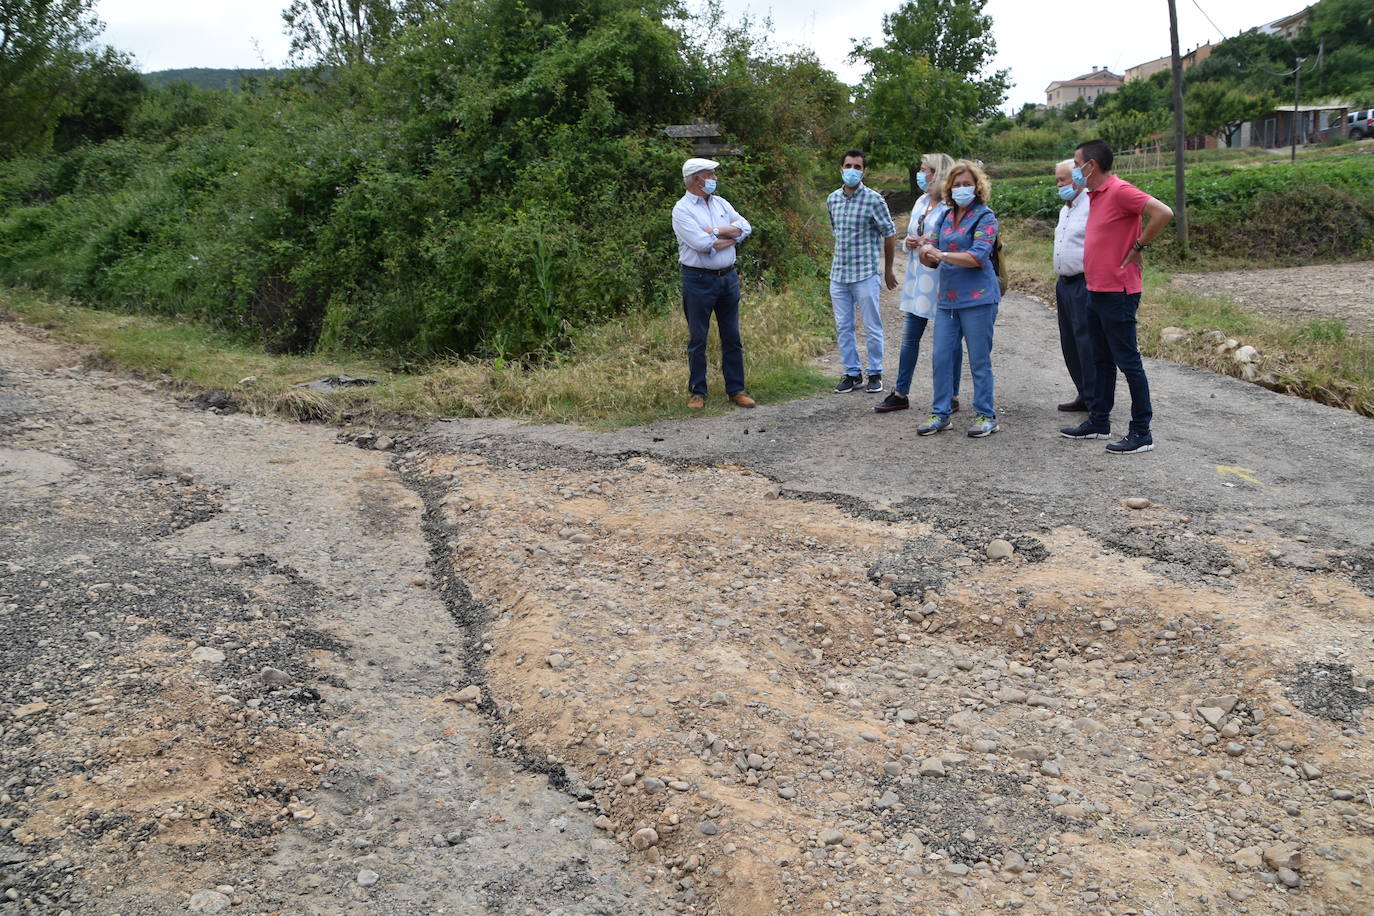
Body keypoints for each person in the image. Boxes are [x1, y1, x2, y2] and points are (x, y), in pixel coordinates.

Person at [1059, 139, 1173, 454]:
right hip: (1096, 288)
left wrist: (1139, 245)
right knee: (1100, 358)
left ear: (1090, 165)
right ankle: (1098, 421)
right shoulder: (1094, 195)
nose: (1073, 169)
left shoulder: (1120, 190)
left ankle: (1141, 431)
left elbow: (1163, 212)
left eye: (1076, 162)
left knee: (1128, 361)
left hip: (1118, 291)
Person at [915, 160, 1001, 439]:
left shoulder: (985, 217)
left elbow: (977, 256)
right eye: (957, 184)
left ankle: (986, 415)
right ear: (949, 188)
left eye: (967, 184)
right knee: (941, 356)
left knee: (978, 359)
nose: (962, 188)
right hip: (948, 300)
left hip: (978, 299)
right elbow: (932, 257)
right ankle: (941, 414)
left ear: (977, 187)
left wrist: (939, 254)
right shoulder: (945, 216)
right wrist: (924, 253)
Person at [875, 152, 962, 415]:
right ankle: (901, 393)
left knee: (948, 342)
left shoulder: (952, 207)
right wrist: (909, 242)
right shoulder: (921, 201)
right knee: (909, 338)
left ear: (938, 174)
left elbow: (954, 241)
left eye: (925, 170)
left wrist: (929, 243)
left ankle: (952, 395)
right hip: (917, 280)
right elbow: (910, 237)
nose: (921, 174)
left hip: (942, 280)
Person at [672, 157, 755, 411]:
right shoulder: (682, 209)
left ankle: (736, 390)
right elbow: (700, 244)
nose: (715, 179)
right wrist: (731, 235)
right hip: (698, 279)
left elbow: (746, 228)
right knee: (698, 337)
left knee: (732, 335)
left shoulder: (720, 203)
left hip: (727, 277)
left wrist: (716, 231)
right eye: (711, 175)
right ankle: (698, 392)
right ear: (697, 179)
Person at [826, 149, 898, 394]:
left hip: (865, 273)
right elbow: (836, 230)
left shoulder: (874, 200)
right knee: (843, 325)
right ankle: (851, 373)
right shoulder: (832, 199)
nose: (852, 171)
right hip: (839, 274)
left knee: (871, 324)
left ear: (864, 171)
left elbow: (889, 234)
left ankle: (875, 372)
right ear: (841, 168)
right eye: (848, 166)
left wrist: (888, 269)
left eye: (858, 167)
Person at [1052, 158, 1093, 414]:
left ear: (1077, 178)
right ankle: (1083, 392)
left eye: (1063, 179)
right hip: (1064, 283)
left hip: (1083, 282)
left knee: (1086, 341)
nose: (1059, 185)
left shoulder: (1091, 204)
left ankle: (1096, 395)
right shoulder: (1066, 208)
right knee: (1069, 341)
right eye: (1057, 180)